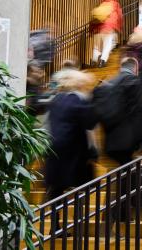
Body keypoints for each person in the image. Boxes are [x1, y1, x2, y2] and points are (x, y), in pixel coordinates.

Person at [45, 69, 97, 203]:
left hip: (54, 148)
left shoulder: (55, 100)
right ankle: (79, 219)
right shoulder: (79, 100)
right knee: (82, 185)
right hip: (74, 150)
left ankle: (55, 221)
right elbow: (90, 124)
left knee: (57, 188)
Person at [92, 57, 142, 166]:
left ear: (121, 68)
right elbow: (138, 112)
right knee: (129, 172)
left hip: (110, 141)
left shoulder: (108, 84)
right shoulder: (133, 81)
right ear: (135, 68)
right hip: (128, 139)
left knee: (125, 170)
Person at [90, 0, 124, 67]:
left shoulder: (102, 4)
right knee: (107, 45)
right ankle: (102, 60)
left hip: (98, 30)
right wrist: (119, 28)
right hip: (108, 29)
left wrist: (91, 30)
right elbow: (120, 17)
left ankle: (94, 60)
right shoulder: (115, 5)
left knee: (97, 46)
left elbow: (94, 19)